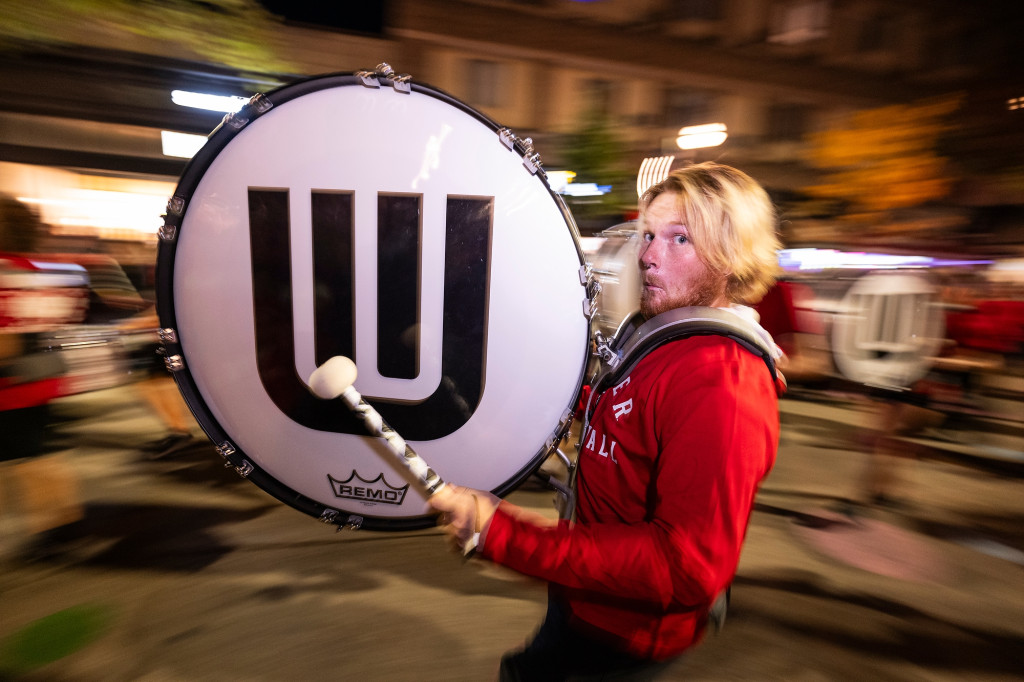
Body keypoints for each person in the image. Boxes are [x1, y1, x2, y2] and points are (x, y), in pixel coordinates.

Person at [430, 162, 783, 681]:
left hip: (626, 637)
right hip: (586, 599)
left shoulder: (722, 383)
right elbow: (627, 414)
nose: (646, 256)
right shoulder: (667, 333)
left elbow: (686, 568)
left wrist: (503, 534)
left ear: (732, 256)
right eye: (648, 235)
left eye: (679, 239)